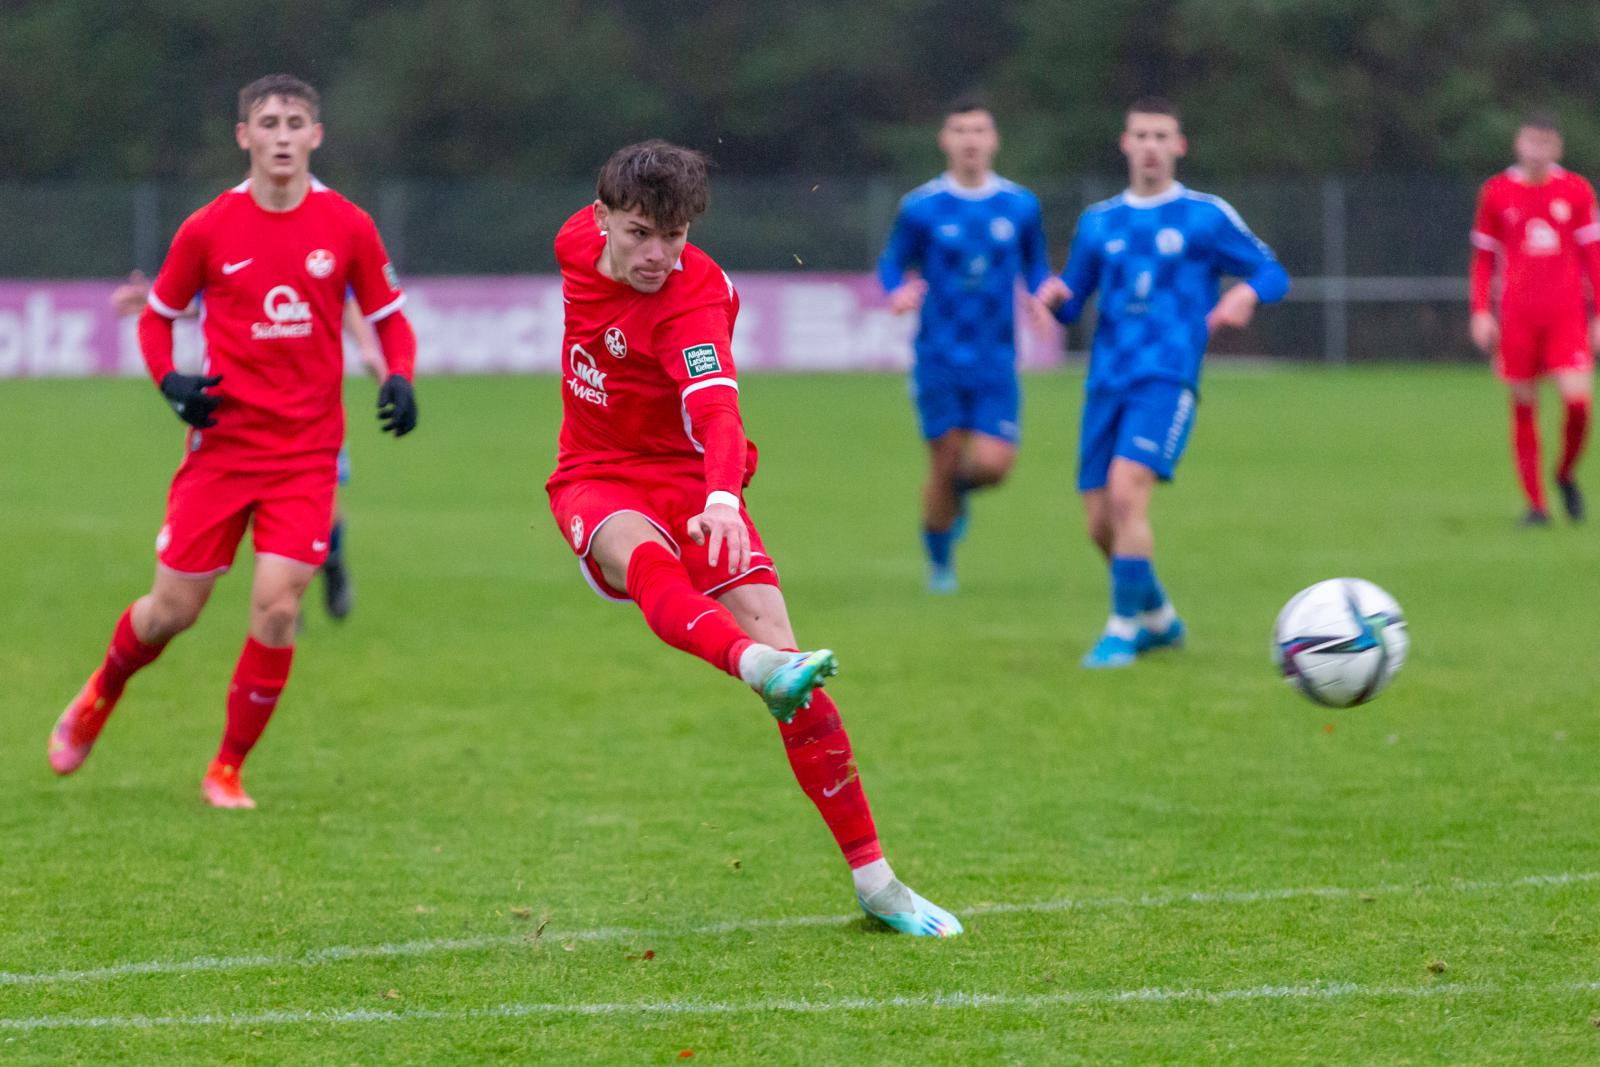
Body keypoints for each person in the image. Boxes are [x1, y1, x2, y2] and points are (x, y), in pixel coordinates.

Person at [546, 140, 960, 936]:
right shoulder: (572, 243)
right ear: (600, 220)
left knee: (800, 681)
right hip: (594, 474)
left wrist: (723, 500)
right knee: (643, 557)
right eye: (639, 234)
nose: (658, 254)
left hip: (696, 479)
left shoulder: (691, 302)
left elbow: (718, 413)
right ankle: (751, 663)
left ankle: (876, 880)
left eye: (675, 236)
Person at [50, 74, 419, 807]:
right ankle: (101, 691)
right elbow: (157, 317)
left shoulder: (348, 225)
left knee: (278, 608)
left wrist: (400, 376)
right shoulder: (208, 228)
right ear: (244, 136)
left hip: (307, 456)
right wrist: (170, 381)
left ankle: (226, 768)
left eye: (295, 122)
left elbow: (390, 319)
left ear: (316, 136)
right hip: (222, 450)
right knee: (171, 613)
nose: (282, 135)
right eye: (268, 123)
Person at [1037, 96, 1288, 669]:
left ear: (1179, 146)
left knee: (1127, 494)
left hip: (1167, 378)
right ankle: (1159, 619)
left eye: (1161, 136)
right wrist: (1054, 297)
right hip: (1106, 382)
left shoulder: (1205, 216)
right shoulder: (1099, 222)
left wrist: (1246, 294)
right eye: (1141, 136)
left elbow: (1271, 270)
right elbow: (1073, 301)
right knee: (1100, 524)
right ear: (1125, 144)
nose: (1151, 146)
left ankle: (1121, 630)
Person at [109, 272, 386, 617]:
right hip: (246, 412)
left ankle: (332, 562)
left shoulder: (317, 249)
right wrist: (156, 301)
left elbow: (342, 296)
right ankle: (282, 596)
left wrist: (368, 348)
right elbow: (212, 299)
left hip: (309, 408)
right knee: (262, 507)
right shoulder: (228, 249)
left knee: (325, 505)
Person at [877, 96, 1050, 593]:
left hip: (996, 358)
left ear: (993, 140)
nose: (970, 139)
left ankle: (955, 498)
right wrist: (897, 291)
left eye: (978, 130)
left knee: (993, 466)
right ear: (945, 140)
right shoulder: (922, 206)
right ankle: (940, 562)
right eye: (960, 130)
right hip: (939, 357)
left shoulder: (1020, 205)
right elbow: (892, 263)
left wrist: (1041, 295)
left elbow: (1036, 264)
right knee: (946, 456)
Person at [1469, 110, 1600, 525]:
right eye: (1530, 141)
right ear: (1518, 144)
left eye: (1545, 143)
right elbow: (1483, 259)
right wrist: (1480, 311)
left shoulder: (1576, 190)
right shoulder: (1496, 191)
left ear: (1557, 148)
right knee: (1524, 407)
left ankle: (1564, 473)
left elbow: (1593, 255)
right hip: (1517, 319)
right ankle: (1536, 505)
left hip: (1567, 317)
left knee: (1578, 405)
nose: (1536, 150)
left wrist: (1598, 314)